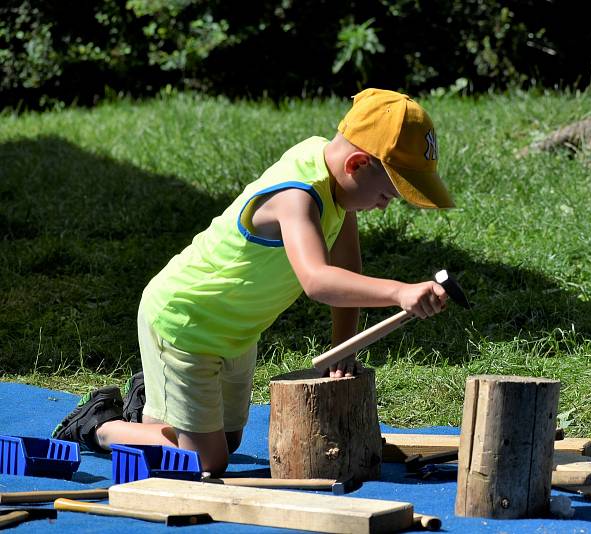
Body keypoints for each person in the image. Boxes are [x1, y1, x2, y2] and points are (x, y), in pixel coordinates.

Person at [52, 88, 455, 476]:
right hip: (184, 323)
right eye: (387, 193)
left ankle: (149, 406)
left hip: (235, 333)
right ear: (357, 165)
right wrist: (400, 292)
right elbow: (318, 280)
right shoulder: (296, 197)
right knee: (209, 461)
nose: (385, 205)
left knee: (229, 438)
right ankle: (101, 424)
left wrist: (341, 349)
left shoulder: (338, 185)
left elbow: (346, 266)